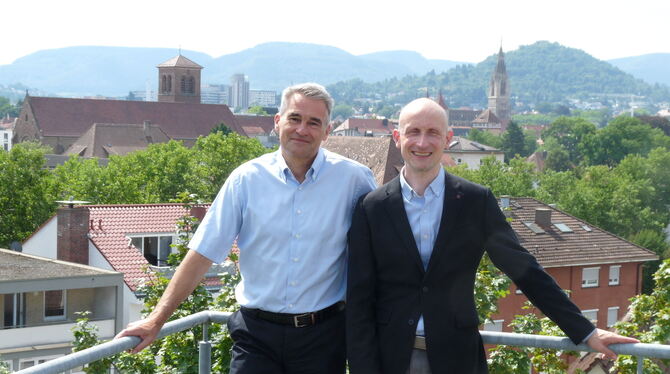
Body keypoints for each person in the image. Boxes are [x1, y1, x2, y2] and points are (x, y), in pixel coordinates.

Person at [345, 98, 638, 374]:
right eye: (414, 132)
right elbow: (359, 299)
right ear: (397, 137)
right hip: (389, 357)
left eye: (433, 133)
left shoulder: (475, 201)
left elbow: (523, 269)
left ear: (448, 139)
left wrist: (585, 330)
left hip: (457, 357)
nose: (422, 142)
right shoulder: (372, 207)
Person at [116, 82, 376, 374]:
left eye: (313, 122)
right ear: (278, 122)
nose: (302, 129)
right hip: (256, 336)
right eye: (294, 118)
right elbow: (203, 252)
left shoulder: (354, 180)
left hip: (323, 337)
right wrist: (156, 320)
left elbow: (380, 250)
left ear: (327, 132)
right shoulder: (246, 180)